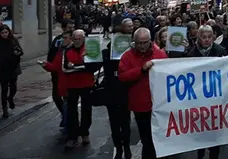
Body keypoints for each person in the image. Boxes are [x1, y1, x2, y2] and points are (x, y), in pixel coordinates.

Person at [118, 28, 167, 159]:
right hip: (140, 105)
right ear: (134, 42)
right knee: (147, 140)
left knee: (161, 139)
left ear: (150, 41)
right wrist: (141, 70)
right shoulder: (127, 56)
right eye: (139, 43)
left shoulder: (160, 54)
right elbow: (122, 76)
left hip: (159, 105)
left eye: (145, 42)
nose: (142, 46)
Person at [186, 25, 226, 159]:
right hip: (199, 99)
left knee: (215, 132)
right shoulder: (191, 54)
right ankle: (200, 153)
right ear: (199, 38)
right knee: (201, 130)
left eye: (210, 37)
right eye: (204, 37)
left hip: (215, 98)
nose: (207, 40)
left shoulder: (220, 51)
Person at [103, 19, 134, 159]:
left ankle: (126, 147)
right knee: (114, 122)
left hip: (124, 90)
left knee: (125, 121)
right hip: (111, 90)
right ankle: (118, 148)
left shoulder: (130, 51)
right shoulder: (107, 51)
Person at [63, 29, 97, 148]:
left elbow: (95, 66)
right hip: (72, 84)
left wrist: (84, 62)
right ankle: (72, 136)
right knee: (72, 111)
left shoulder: (89, 48)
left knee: (86, 110)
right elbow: (65, 67)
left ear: (84, 38)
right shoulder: (67, 49)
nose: (77, 41)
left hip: (87, 83)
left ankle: (84, 133)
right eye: (75, 39)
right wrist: (70, 66)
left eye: (80, 39)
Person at [40, 30, 71, 132]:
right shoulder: (60, 51)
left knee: (69, 106)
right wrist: (46, 65)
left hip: (73, 84)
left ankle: (71, 127)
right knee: (67, 105)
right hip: (63, 84)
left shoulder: (75, 51)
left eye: (65, 38)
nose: (63, 40)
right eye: (63, 38)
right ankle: (68, 126)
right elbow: (55, 67)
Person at [0, 24, 23, 118]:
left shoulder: (13, 40)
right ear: (0, 34)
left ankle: (10, 98)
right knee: (4, 89)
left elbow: (20, 51)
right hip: (2, 69)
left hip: (13, 67)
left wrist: (18, 52)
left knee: (13, 87)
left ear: (9, 32)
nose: (4, 34)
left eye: (6, 32)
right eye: (2, 33)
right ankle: (4, 108)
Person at [48, 19, 75, 126]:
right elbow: (51, 56)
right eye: (69, 27)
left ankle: (69, 119)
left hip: (70, 74)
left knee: (68, 98)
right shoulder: (58, 41)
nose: (72, 29)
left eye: (73, 27)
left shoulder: (76, 40)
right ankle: (65, 115)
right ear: (63, 28)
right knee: (56, 97)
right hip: (58, 73)